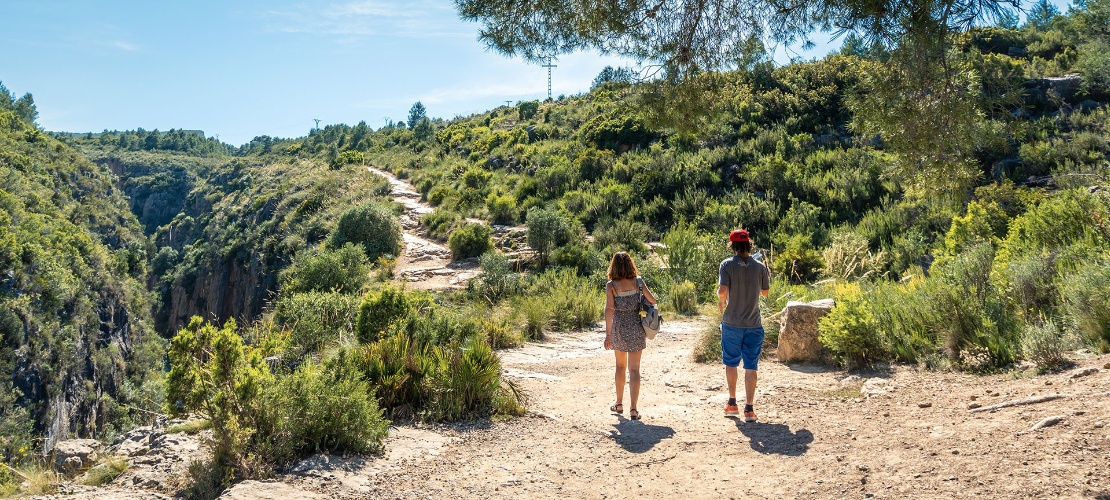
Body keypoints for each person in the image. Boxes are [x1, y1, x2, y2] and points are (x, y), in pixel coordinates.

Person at [717, 228, 770, 422]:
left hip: (731, 322)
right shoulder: (760, 267)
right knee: (751, 365)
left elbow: (722, 291)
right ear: (749, 244)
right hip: (754, 323)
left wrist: (721, 302)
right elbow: (765, 293)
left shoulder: (726, 265)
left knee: (731, 362)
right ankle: (749, 408)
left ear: (732, 245)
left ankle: (732, 404)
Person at [604, 251, 657, 421]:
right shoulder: (638, 282)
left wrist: (608, 334)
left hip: (619, 329)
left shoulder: (611, 286)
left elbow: (609, 310)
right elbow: (653, 300)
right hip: (636, 328)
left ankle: (619, 404)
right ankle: (633, 409)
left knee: (620, 367)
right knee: (634, 369)